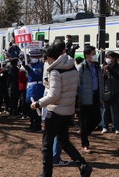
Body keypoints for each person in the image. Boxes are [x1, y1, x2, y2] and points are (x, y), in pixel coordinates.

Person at [31, 39, 92, 177]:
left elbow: (54, 96)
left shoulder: (55, 71)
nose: (47, 62)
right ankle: (82, 165)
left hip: (55, 111)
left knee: (47, 144)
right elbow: (68, 88)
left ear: (52, 57)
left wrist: (38, 103)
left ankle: (46, 174)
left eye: (47, 59)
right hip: (68, 110)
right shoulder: (71, 66)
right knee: (64, 141)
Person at [78, 45, 104, 152]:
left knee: (97, 118)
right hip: (85, 97)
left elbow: (100, 82)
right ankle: (85, 144)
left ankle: (84, 133)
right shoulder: (81, 67)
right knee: (84, 121)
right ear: (87, 55)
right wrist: (78, 99)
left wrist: (101, 97)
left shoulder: (97, 67)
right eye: (93, 54)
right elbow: (78, 83)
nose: (95, 56)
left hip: (96, 96)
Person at [101, 51, 119, 134]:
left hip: (116, 91)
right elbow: (101, 79)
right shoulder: (104, 67)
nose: (108, 59)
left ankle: (116, 127)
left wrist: (110, 69)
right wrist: (104, 74)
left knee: (115, 110)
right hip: (106, 91)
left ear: (114, 58)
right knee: (105, 110)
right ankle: (105, 126)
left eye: (110, 57)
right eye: (107, 57)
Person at [25, 50, 46, 132]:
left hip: (36, 88)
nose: (33, 58)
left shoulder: (39, 65)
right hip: (31, 87)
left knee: (36, 107)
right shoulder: (33, 65)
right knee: (31, 107)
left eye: (34, 57)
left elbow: (37, 76)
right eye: (32, 57)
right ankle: (32, 123)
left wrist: (29, 70)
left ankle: (36, 125)